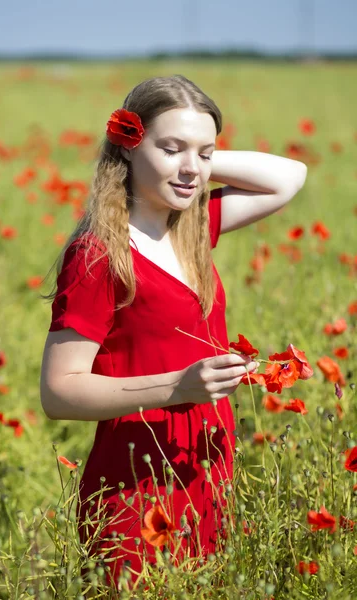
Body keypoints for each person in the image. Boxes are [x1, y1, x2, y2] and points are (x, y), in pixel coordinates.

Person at [40, 74, 307, 590]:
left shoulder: (193, 223)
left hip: (208, 469)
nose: (191, 170)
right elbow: (58, 390)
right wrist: (177, 387)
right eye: (170, 148)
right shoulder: (99, 254)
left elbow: (289, 177)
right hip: (138, 486)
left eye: (205, 153)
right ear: (130, 145)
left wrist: (189, 158)